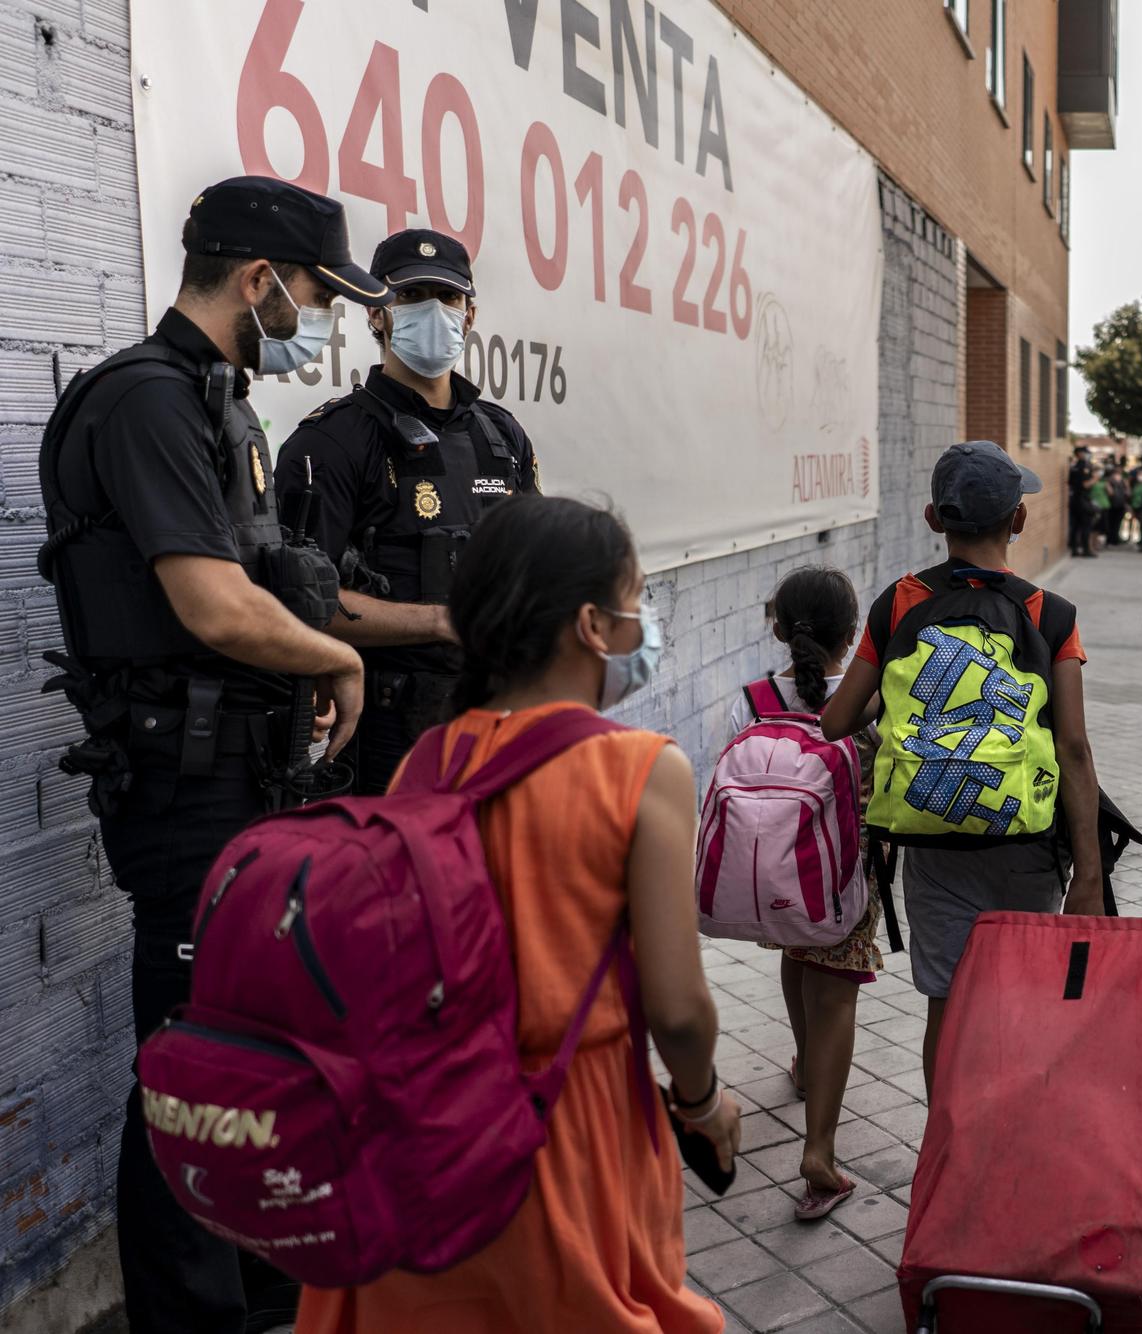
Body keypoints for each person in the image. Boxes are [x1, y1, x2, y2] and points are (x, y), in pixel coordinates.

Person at [35, 175, 387, 1334]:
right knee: (190, 1071)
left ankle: (265, 1290)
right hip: (185, 789)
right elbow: (213, 603)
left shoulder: (213, 400)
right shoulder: (144, 401)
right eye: (316, 298)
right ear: (259, 282)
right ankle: (192, 1320)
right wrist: (338, 661)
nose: (321, 321)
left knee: (256, 1051)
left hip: (245, 772)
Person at [296, 495, 734, 1334]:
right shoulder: (641, 770)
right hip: (567, 1125)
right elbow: (678, 1010)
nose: (644, 625)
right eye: (636, 603)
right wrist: (705, 1102)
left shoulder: (427, 759)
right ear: (590, 626)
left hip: (427, 1129)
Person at [820, 440, 1104, 1095]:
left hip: (931, 840)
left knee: (946, 998)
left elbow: (837, 722)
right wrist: (1086, 877)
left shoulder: (898, 604)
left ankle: (947, 1146)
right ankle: (1014, 1139)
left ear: (932, 519)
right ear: (1020, 520)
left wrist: (907, 717)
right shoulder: (1050, 614)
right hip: (1026, 840)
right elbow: (1073, 750)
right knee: (1025, 993)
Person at [276, 229, 540, 795]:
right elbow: (298, 606)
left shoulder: (502, 435)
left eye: (446, 298)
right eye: (411, 296)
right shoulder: (330, 444)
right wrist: (442, 622)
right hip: (389, 734)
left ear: (470, 314)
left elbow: (537, 570)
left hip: (500, 714)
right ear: (377, 315)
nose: (432, 312)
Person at [722, 567, 884, 1222]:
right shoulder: (871, 700)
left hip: (777, 872)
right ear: (853, 636)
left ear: (779, 628)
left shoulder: (753, 697)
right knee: (835, 992)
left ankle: (803, 1060)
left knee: (796, 959)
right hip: (845, 872)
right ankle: (818, 1153)